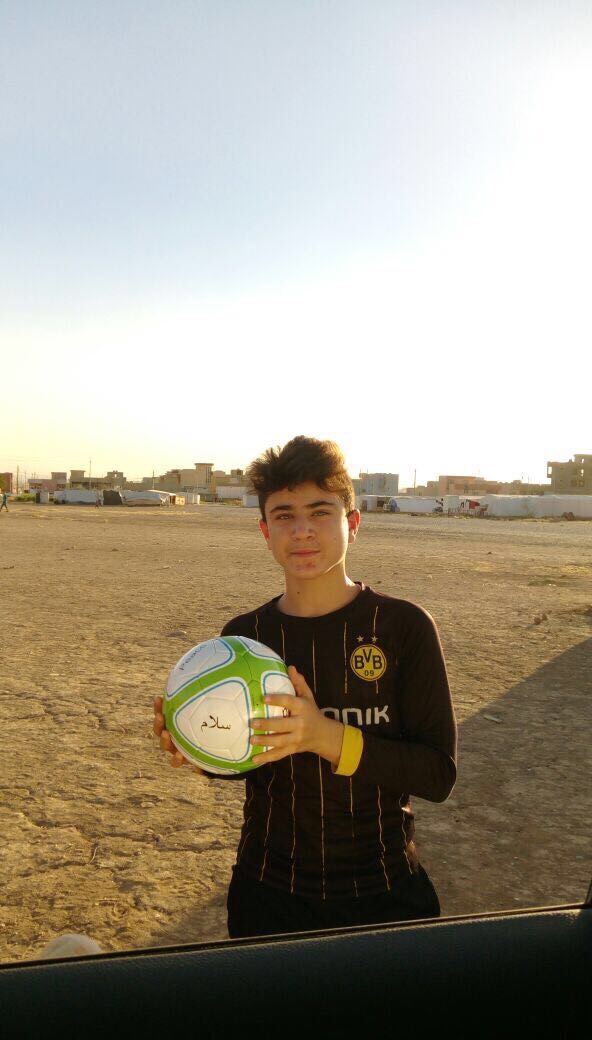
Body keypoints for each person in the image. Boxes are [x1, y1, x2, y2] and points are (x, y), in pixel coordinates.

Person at [154, 435, 457, 939]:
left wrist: (323, 736)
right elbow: (249, 761)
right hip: (268, 893)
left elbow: (437, 774)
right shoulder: (244, 638)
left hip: (384, 891)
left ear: (352, 523)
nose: (302, 531)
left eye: (320, 512)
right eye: (284, 515)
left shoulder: (402, 627)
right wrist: (197, 742)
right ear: (264, 531)